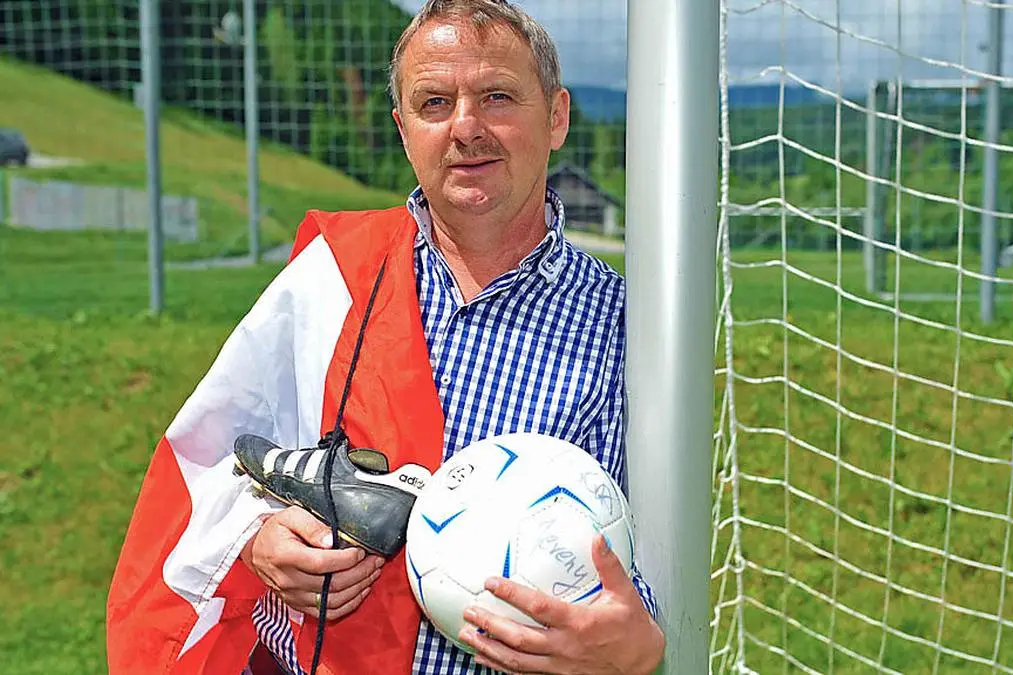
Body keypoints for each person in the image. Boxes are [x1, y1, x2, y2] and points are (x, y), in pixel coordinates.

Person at [105, 1, 666, 674]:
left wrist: (635, 646)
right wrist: (257, 542)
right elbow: (209, 462)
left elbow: (654, 559)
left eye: (496, 96)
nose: (465, 127)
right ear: (404, 129)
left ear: (556, 115)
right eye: (434, 103)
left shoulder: (626, 325)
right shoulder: (335, 275)